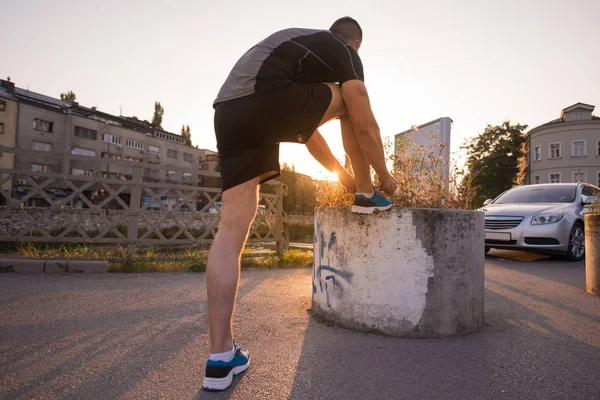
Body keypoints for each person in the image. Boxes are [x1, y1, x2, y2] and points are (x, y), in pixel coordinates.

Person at [202, 16, 398, 391]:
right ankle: (366, 192)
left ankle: (220, 358)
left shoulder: (301, 55)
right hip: (265, 97)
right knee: (350, 100)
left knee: (230, 231)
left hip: (228, 112)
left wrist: (339, 172)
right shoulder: (343, 51)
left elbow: (306, 131)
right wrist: (383, 174)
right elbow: (361, 114)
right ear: (355, 44)